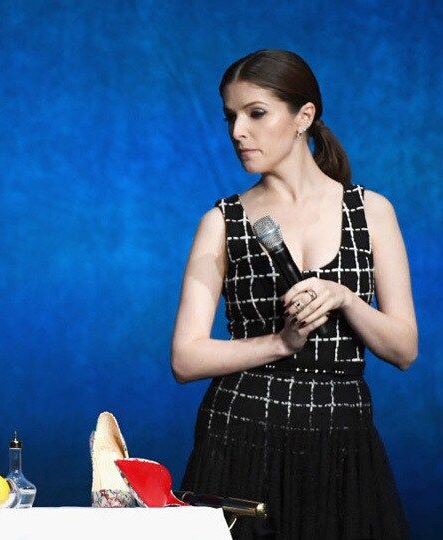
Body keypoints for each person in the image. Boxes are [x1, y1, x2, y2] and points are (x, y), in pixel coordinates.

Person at [171, 50, 416, 538]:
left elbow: (404, 349)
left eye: (256, 113)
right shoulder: (222, 222)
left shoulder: (370, 212)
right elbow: (186, 358)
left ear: (304, 116)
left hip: (341, 440)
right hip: (241, 435)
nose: (238, 131)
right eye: (231, 117)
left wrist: (345, 297)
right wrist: (280, 344)